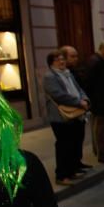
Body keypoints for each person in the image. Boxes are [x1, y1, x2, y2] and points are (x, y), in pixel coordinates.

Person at [42, 50, 90, 185]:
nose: (62, 62)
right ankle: (62, 175)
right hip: (60, 116)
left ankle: (71, 170)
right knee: (64, 145)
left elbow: (78, 89)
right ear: (51, 63)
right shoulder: (50, 77)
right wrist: (78, 102)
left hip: (76, 113)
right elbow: (58, 95)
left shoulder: (68, 74)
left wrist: (85, 99)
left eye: (63, 59)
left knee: (73, 143)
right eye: (58, 60)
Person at [84, 42, 104, 164]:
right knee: (101, 129)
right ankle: (102, 154)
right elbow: (90, 82)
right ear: (103, 49)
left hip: (102, 100)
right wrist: (95, 100)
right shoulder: (96, 61)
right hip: (100, 102)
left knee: (103, 128)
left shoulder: (98, 60)